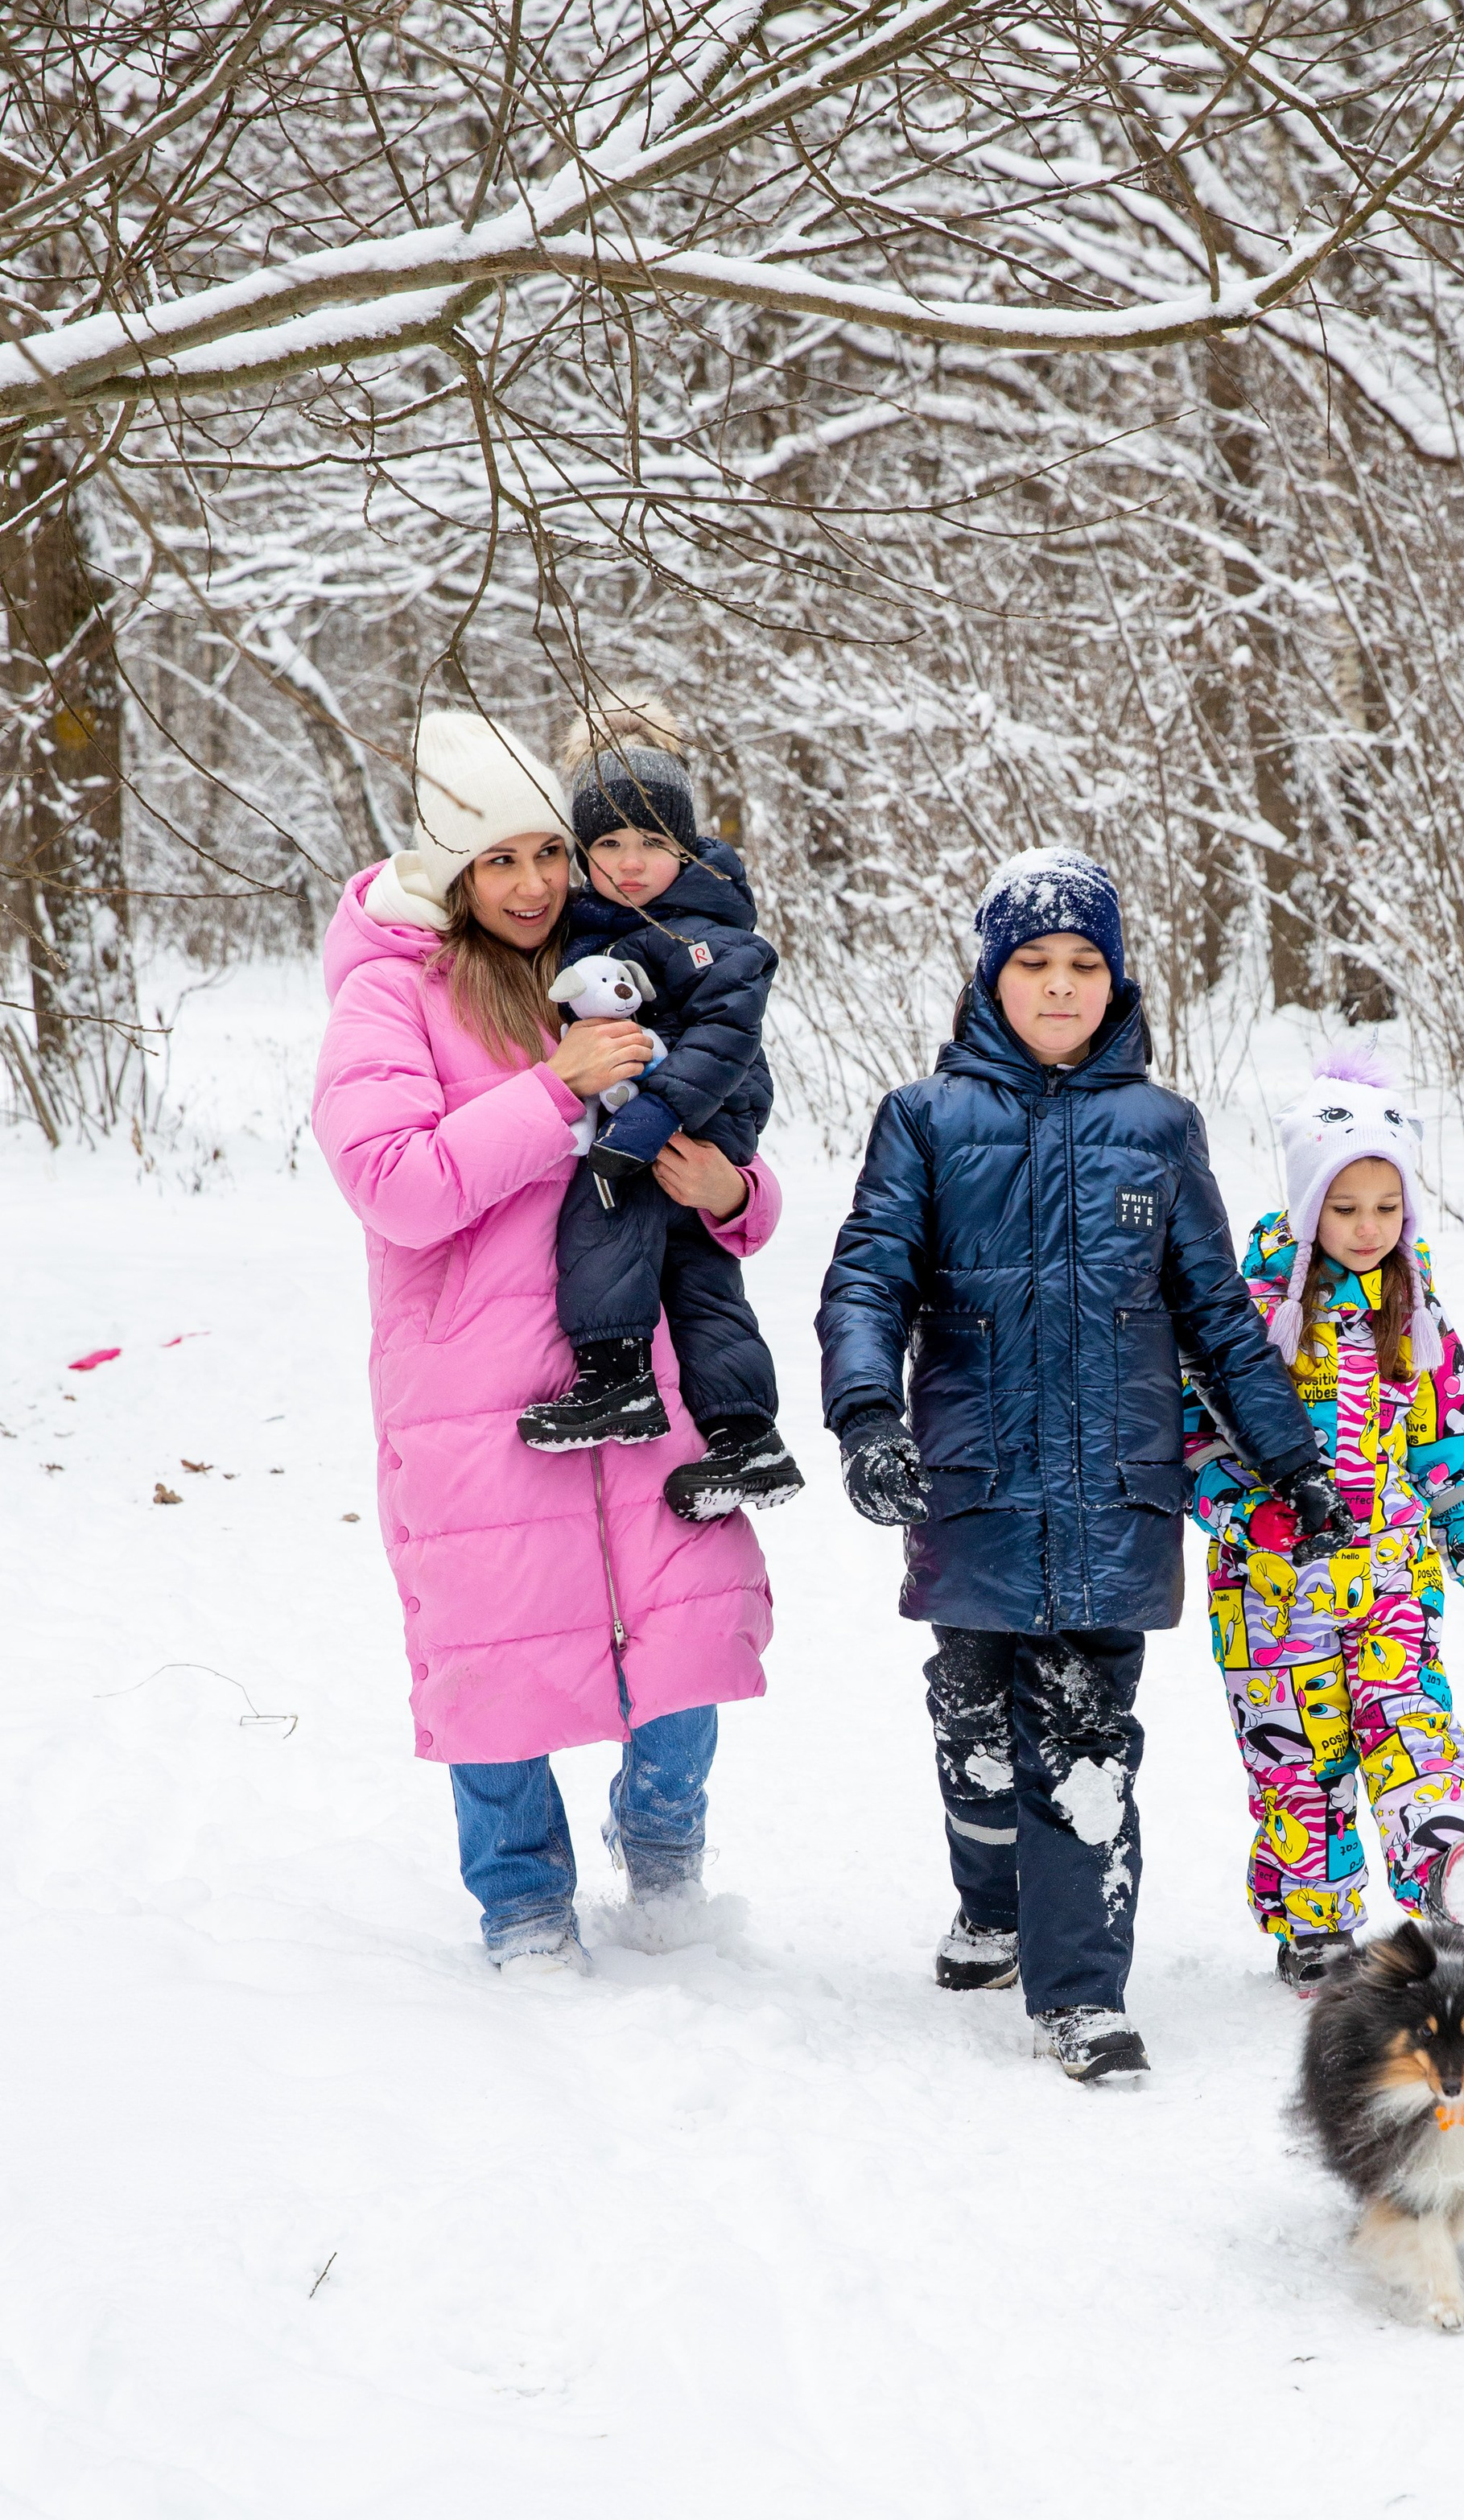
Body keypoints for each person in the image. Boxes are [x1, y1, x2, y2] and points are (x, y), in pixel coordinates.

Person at [816, 848, 1351, 2083]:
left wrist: (1292, 1464)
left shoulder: (1159, 1132)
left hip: (1114, 1495)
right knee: (977, 1726)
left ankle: (1081, 1994)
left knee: (1087, 1738)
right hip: (974, 1485)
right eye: (1035, 966)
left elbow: (1217, 1315)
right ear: (992, 979)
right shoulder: (926, 1121)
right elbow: (868, 1279)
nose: (1061, 987)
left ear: (1117, 983)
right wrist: (866, 1418)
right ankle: (993, 1903)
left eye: (1085, 966)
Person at [311, 707, 778, 1974]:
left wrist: (734, 1198)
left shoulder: (625, 957)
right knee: (493, 1663)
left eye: (548, 856)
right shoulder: (392, 993)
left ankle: (665, 1839)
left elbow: (730, 1142)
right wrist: (551, 1087)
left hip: (642, 1367)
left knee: (684, 1636)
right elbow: (395, 1183)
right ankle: (522, 1907)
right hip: (473, 1392)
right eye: (499, 861)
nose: (530, 886)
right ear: (453, 870)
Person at [1183, 1052, 1464, 1993]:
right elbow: (1189, 1438)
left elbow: (1446, 1461)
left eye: (1386, 1208)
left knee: (1411, 1725)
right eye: (1344, 1209)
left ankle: (1452, 1864)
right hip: (1271, 1596)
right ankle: (1316, 1927)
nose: (1366, 1228)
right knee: (1299, 1764)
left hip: (1391, 1582)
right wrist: (1244, 1514)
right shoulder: (1247, 1312)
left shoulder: (1416, 1316)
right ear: (1306, 1206)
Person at [513, 696, 802, 1517]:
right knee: (702, 1281)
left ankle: (618, 1375)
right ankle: (749, 1440)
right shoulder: (590, 928)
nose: (630, 862)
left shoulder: (716, 930)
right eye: (607, 844)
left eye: (651, 842)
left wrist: (650, 1121)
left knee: (606, 1206)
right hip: (662, 1110)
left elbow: (723, 1035)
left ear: (685, 846)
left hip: (700, 1109)